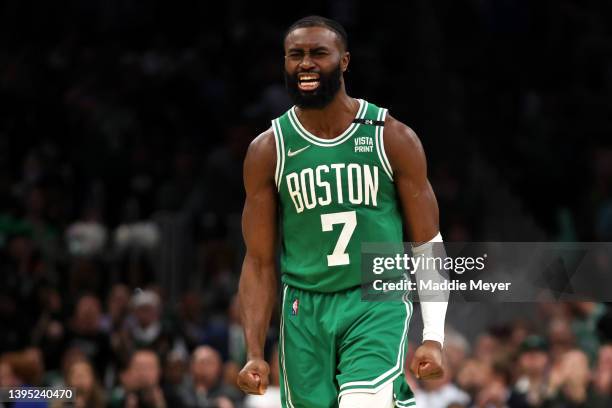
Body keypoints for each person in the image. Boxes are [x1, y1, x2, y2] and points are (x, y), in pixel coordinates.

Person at [237, 15, 448, 407]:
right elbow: (260, 262)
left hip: (375, 299)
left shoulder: (391, 136)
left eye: (319, 53)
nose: (305, 63)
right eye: (295, 55)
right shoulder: (268, 150)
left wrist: (434, 337)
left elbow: (427, 243)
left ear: (345, 61)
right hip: (303, 308)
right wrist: (254, 351)